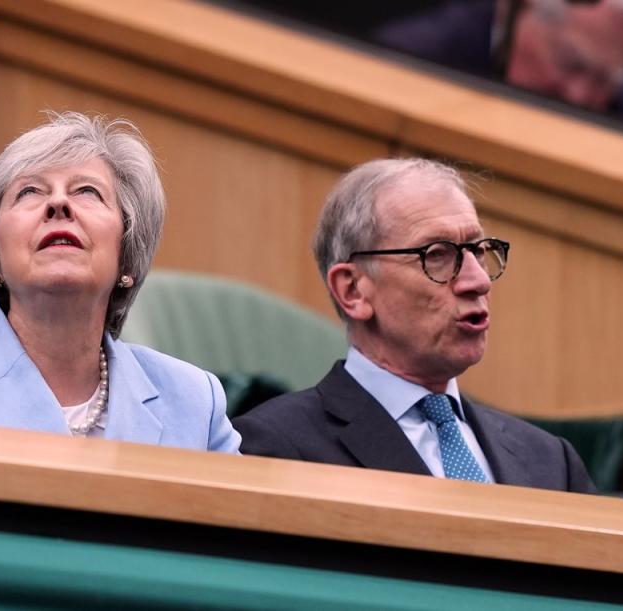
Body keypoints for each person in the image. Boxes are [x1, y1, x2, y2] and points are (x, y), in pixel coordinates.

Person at [0, 112, 240, 453]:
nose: (58, 204)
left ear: (128, 257)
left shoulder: (193, 401)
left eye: (87, 191)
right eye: (29, 192)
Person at [233, 158, 595, 492]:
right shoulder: (276, 448)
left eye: (479, 251)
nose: (478, 281)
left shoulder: (552, 461)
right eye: (437, 255)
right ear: (354, 290)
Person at [372, 0, 623, 126]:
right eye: (571, 64)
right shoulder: (408, 64)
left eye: (605, 80)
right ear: (517, 12)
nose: (579, 95)